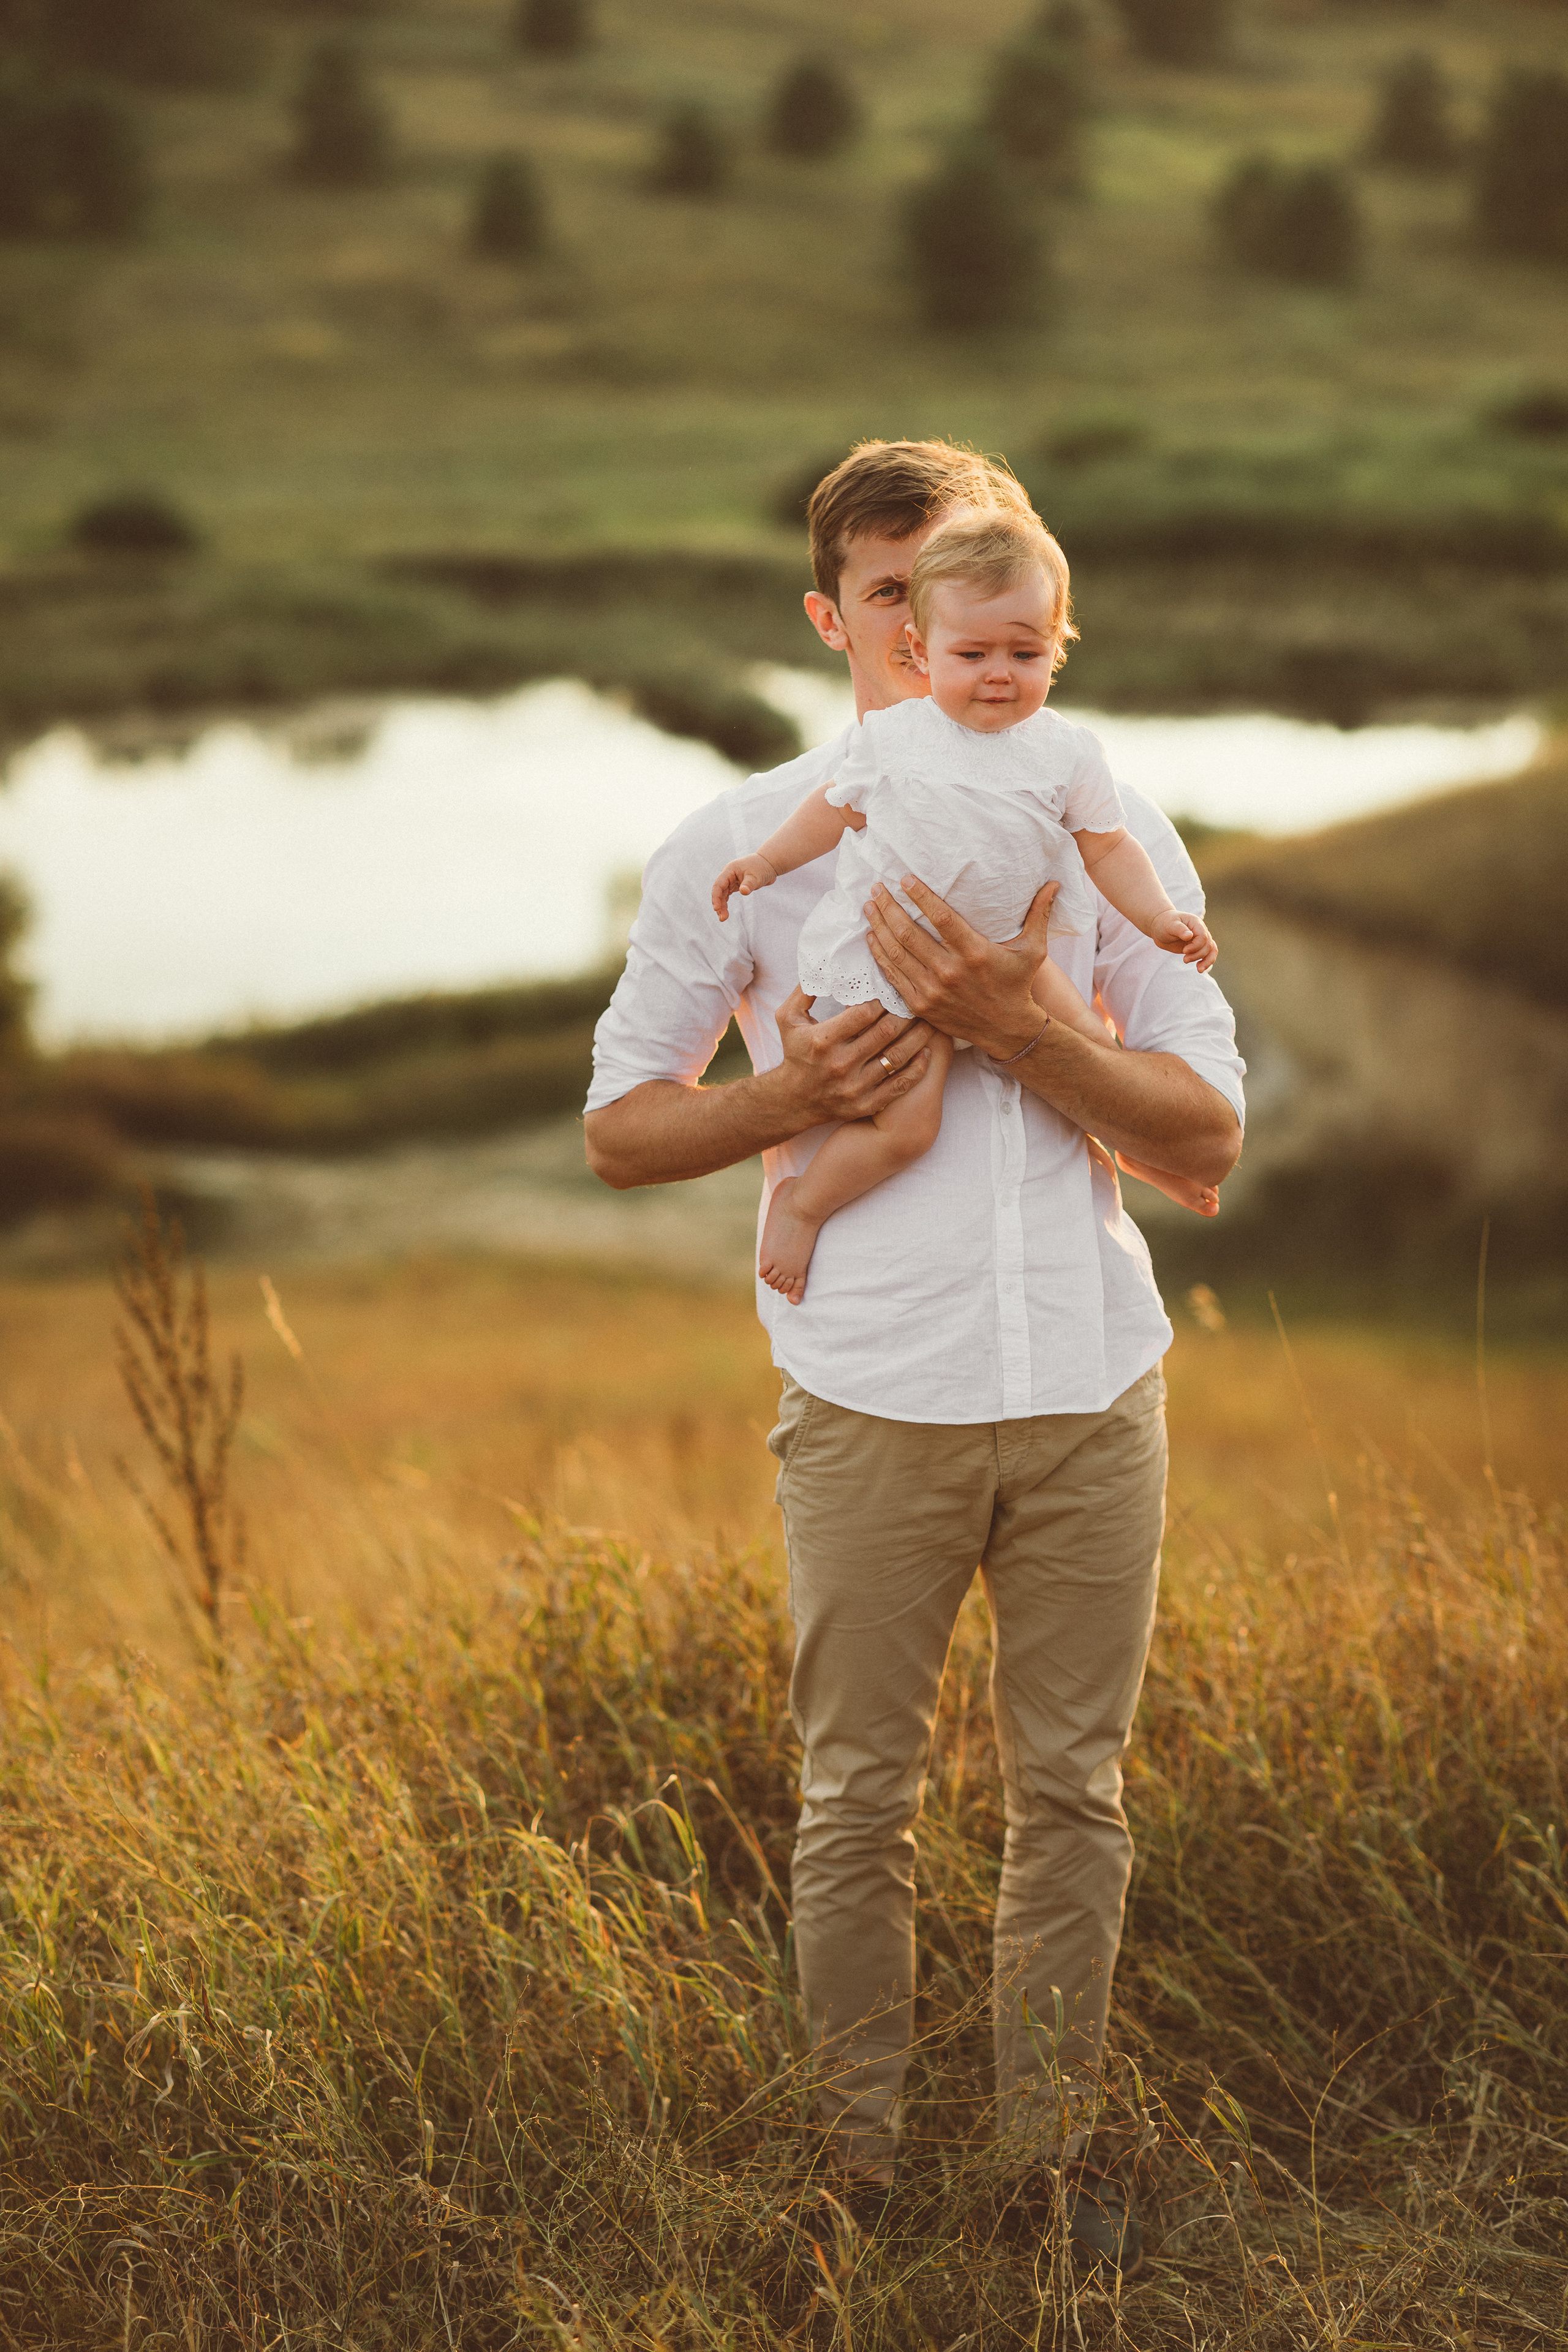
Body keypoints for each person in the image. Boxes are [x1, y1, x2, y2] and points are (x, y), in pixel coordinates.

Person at [584, 439, 1245, 2275]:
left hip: (1098, 1389)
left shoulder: (1095, 813)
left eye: (965, 598)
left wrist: (1023, 1022)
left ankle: (1045, 2177)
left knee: (1077, 1795)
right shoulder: (738, 844)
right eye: (889, 595)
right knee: (855, 1798)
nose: (932, 633)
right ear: (841, 616)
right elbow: (624, 1134)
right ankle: (846, 2178)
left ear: (1026, 618)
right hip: (872, 1392)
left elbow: (1203, 1145)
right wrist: (792, 1096)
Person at [710, 501, 1218, 1302]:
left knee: (1086, 1044)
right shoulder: (898, 738)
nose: (998, 673)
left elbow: (1109, 846)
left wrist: (1161, 920)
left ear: (1060, 646)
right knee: (909, 1125)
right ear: (923, 650)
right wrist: (766, 863)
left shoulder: (1067, 750)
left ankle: (1145, 1154)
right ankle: (803, 1205)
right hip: (901, 962)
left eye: (1025, 652)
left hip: (1012, 954)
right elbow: (834, 810)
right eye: (972, 652)